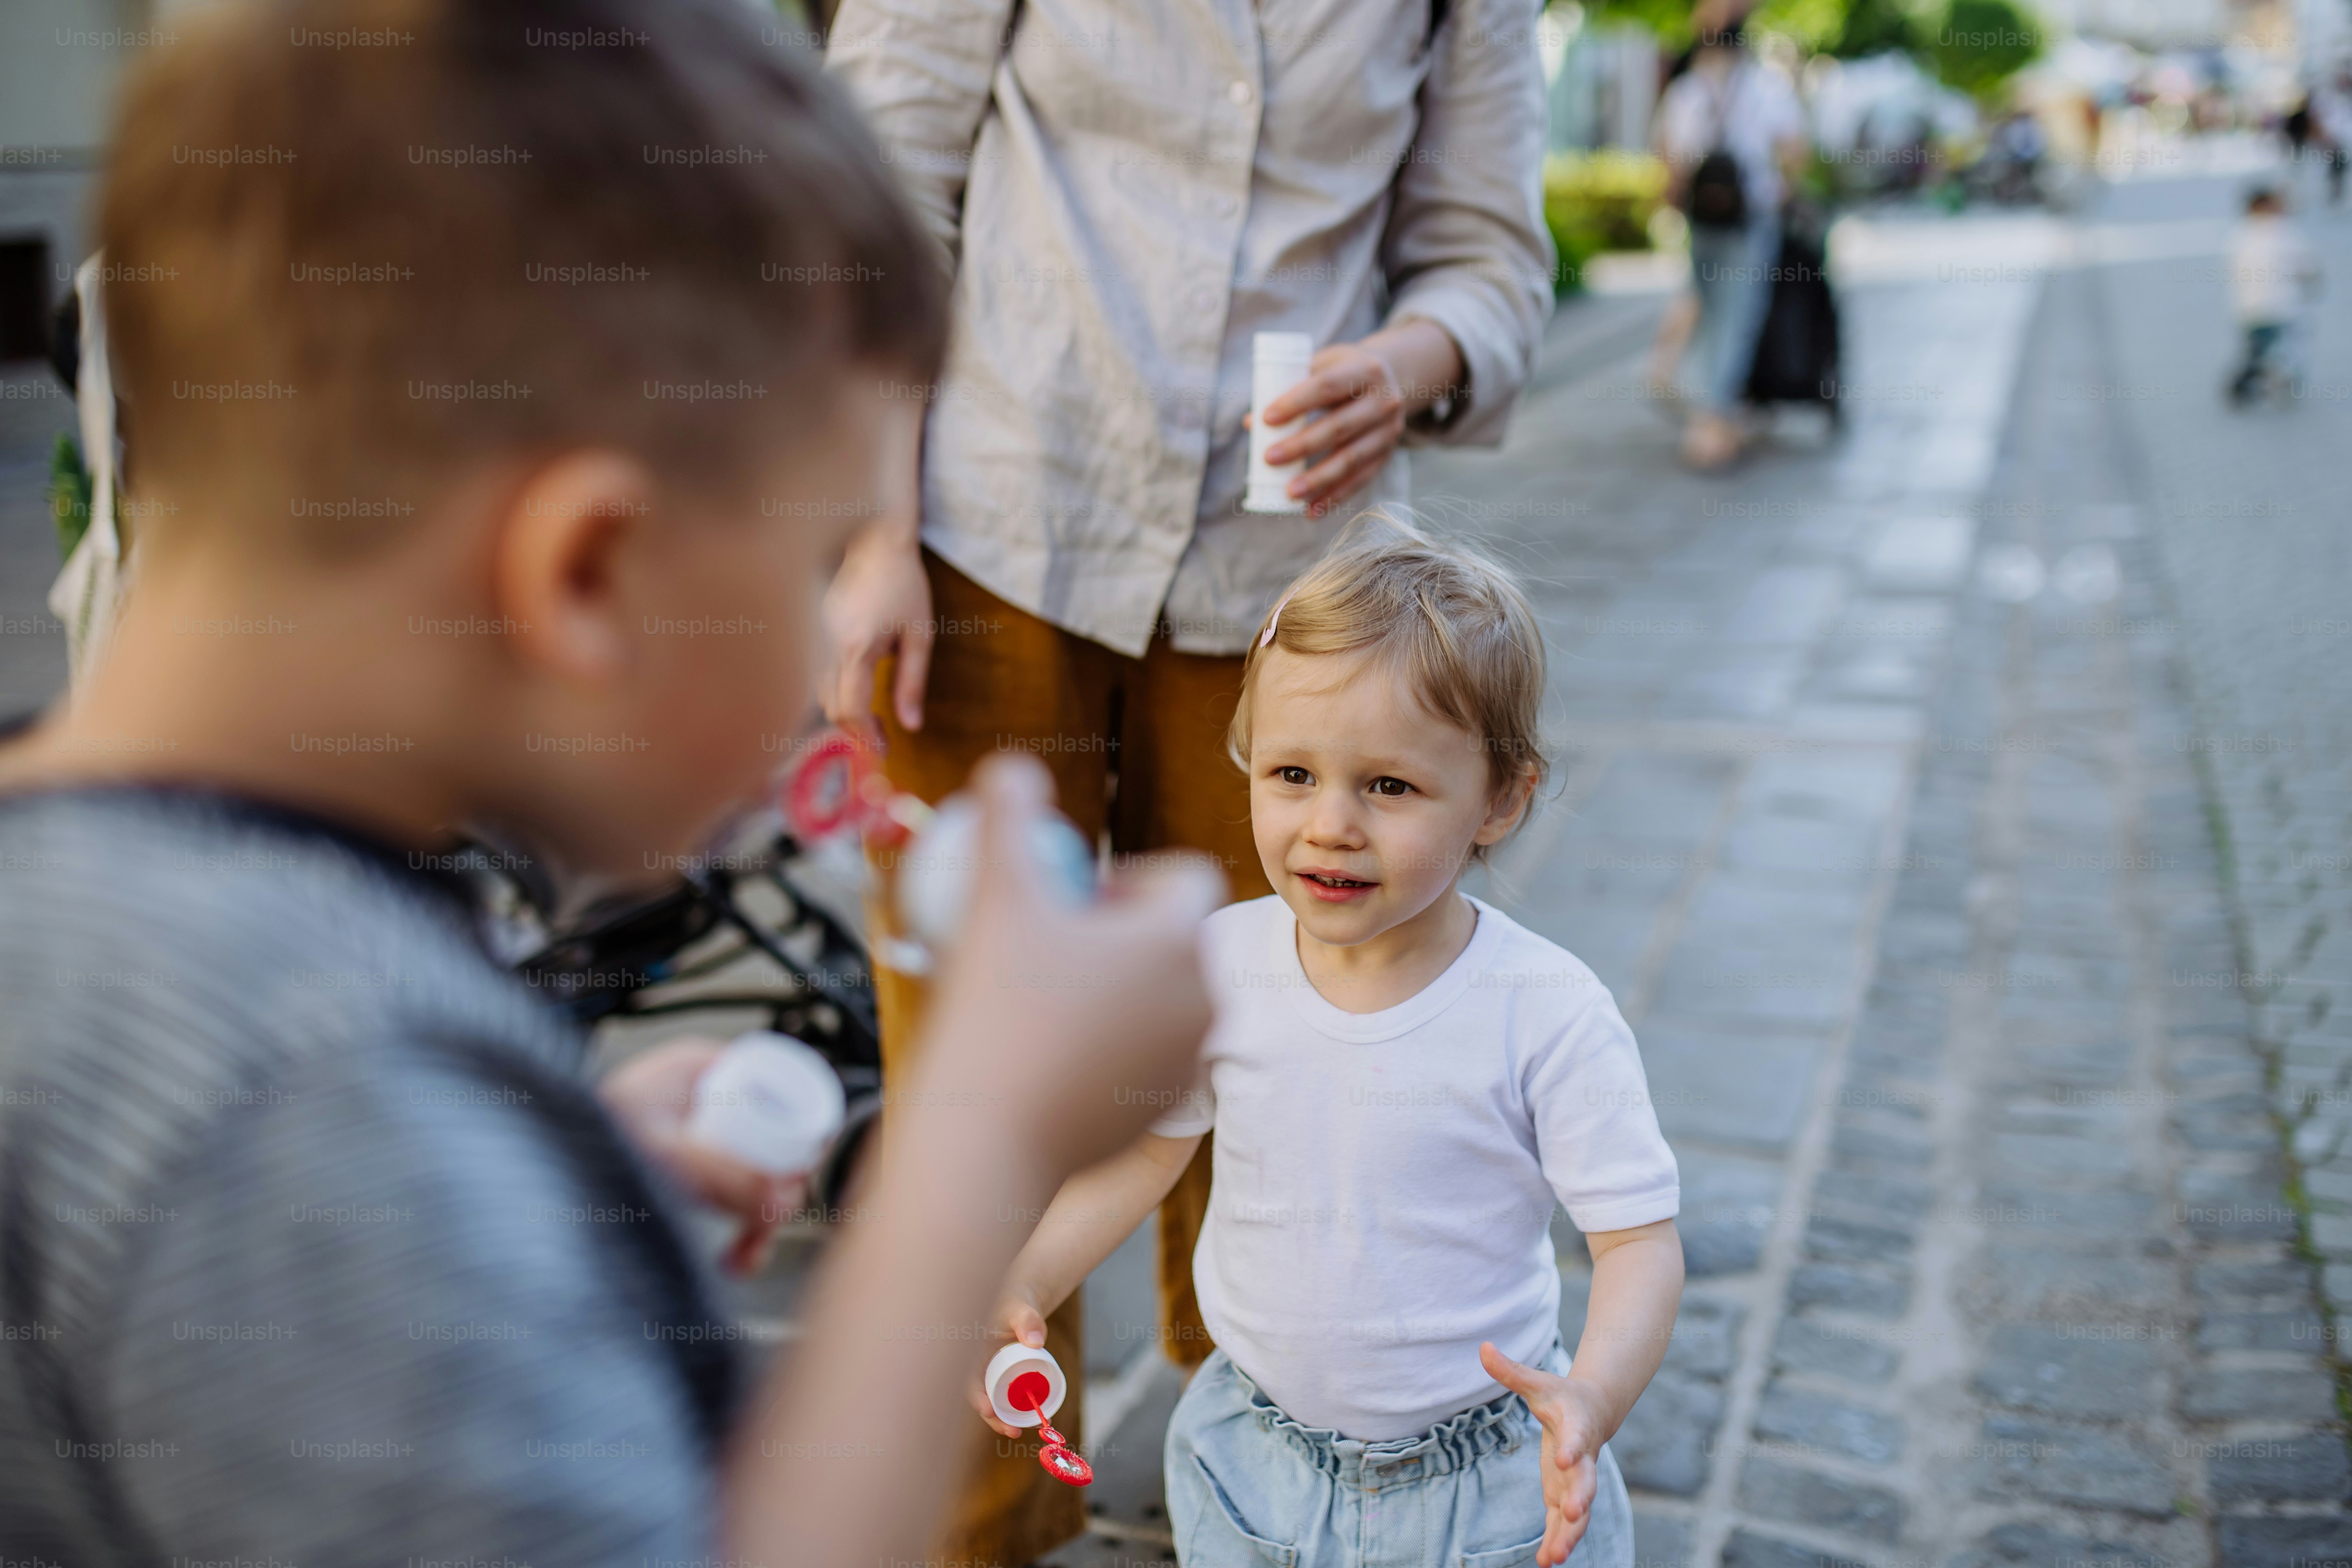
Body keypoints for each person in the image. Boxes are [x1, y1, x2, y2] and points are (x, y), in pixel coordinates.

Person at [0, 3, 1223, 1565]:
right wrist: (974, 1145)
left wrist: (520, 1173)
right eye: (806, 554)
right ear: (584, 573)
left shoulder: (147, 955)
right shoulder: (310, 1101)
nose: (808, 676)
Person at [820, 2, 1555, 1555]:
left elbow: (1490, 258)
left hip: (1293, 593)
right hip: (994, 525)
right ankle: (978, 1519)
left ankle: (1261, 1506)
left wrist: (1406, 360)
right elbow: (875, 178)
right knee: (975, 1068)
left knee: (1271, 1062)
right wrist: (865, 524)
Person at [969, 521, 1685, 1568]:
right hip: (1249, 1458)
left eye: (1388, 786)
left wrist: (1592, 1395)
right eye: (1292, 773)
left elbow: (1635, 1242)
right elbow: (1144, 1149)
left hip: (1481, 1486)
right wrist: (1027, 1273)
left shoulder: (1543, 1008)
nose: (1329, 825)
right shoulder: (1219, 965)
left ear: (1501, 799)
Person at [1655, 17, 1808, 469]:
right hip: (1749, 220)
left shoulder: (1686, 92)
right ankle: (1711, 421)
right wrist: (1781, 188)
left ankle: (1706, 405)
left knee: (1708, 309)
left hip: (1701, 221)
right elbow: (1795, 151)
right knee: (1736, 318)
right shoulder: (1767, 88)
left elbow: (1670, 164)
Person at [2225, 184, 2323, 405]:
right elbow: (2308, 268)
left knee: (2259, 350)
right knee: (2285, 350)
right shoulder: (2285, 232)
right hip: (2283, 307)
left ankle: (2245, 388)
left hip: (2249, 308)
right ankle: (2268, 385)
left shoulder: (2239, 233)